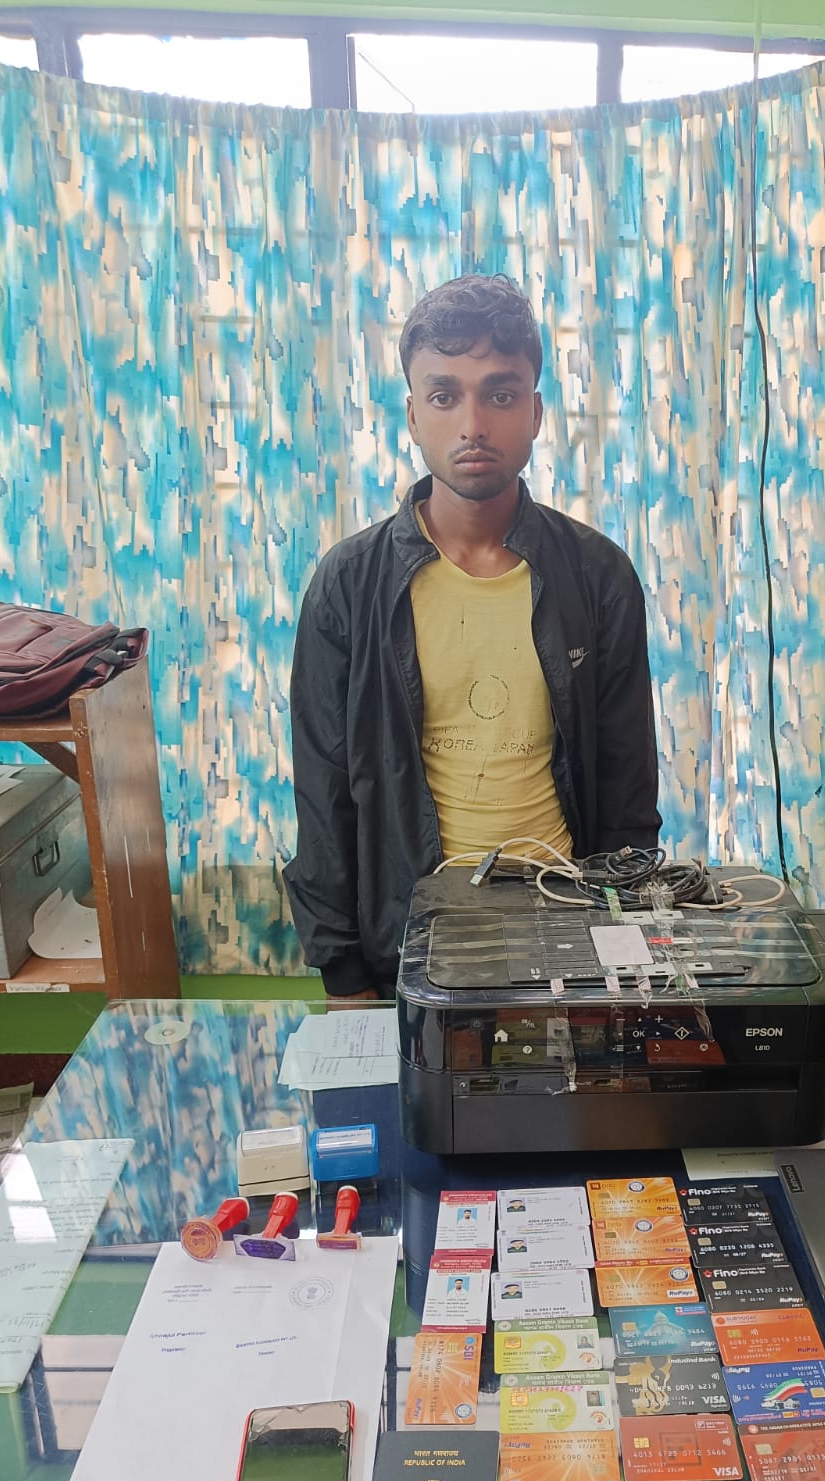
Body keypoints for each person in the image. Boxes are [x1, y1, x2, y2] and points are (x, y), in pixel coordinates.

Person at [284, 273, 660, 998]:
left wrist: (624, 951)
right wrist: (344, 977)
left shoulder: (598, 577)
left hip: (566, 935)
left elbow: (628, 792)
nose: (473, 425)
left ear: (536, 412)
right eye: (444, 395)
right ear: (412, 414)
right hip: (411, 949)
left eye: (501, 394)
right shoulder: (350, 585)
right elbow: (324, 795)